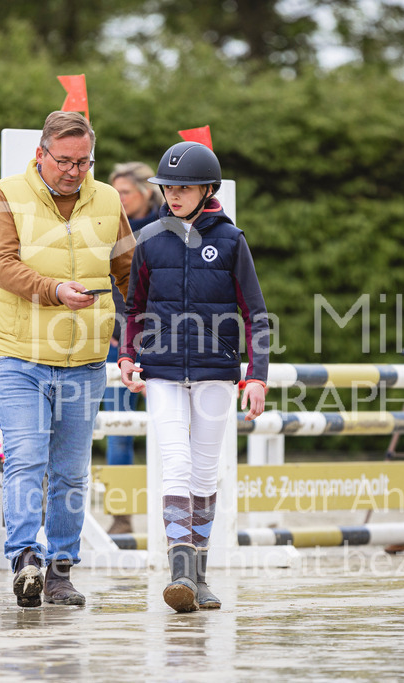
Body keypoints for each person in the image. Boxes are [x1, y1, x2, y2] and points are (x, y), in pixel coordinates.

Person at [0, 111, 134, 608]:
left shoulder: (108, 199)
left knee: (70, 473)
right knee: (26, 459)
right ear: (41, 154)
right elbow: (1, 266)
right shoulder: (5, 195)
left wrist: (144, 334)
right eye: (64, 160)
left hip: (86, 359)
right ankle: (25, 557)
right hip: (17, 357)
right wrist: (52, 290)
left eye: (84, 161)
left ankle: (61, 569)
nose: (74, 171)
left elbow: (129, 270)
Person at [117, 141, 269, 613]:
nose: (174, 195)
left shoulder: (231, 240)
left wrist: (256, 376)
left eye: (183, 187)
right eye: (168, 187)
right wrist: (127, 355)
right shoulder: (150, 239)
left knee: (205, 472)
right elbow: (134, 307)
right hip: (161, 371)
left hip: (216, 373)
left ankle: (198, 576)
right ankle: (179, 572)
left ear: (207, 189)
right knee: (176, 464)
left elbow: (256, 313)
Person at [103, 162, 163, 535]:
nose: (118, 199)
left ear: (145, 192)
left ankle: (173, 514)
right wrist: (111, 328)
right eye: (115, 192)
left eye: (124, 192)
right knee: (119, 427)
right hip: (117, 340)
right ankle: (121, 514)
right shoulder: (106, 225)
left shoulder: (169, 223)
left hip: (161, 338)